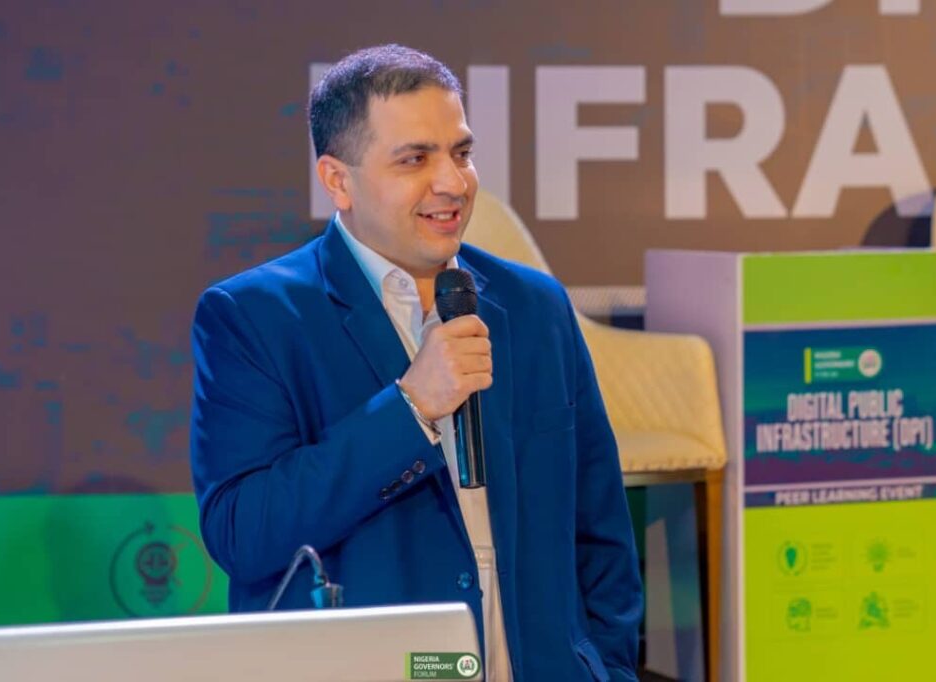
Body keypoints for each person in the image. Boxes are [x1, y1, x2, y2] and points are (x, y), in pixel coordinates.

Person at [190, 44, 642, 682]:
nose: (453, 183)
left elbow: (601, 530)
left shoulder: (534, 305)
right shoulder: (254, 316)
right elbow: (244, 533)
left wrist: (607, 668)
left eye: (461, 152)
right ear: (337, 180)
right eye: (415, 159)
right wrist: (409, 409)